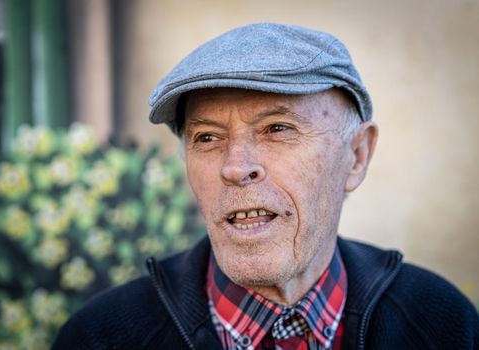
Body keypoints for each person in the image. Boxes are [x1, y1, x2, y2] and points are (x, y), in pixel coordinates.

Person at [52, 23, 478, 349]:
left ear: (357, 155)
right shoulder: (102, 336)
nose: (236, 168)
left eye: (277, 128)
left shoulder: (441, 323)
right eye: (207, 137)